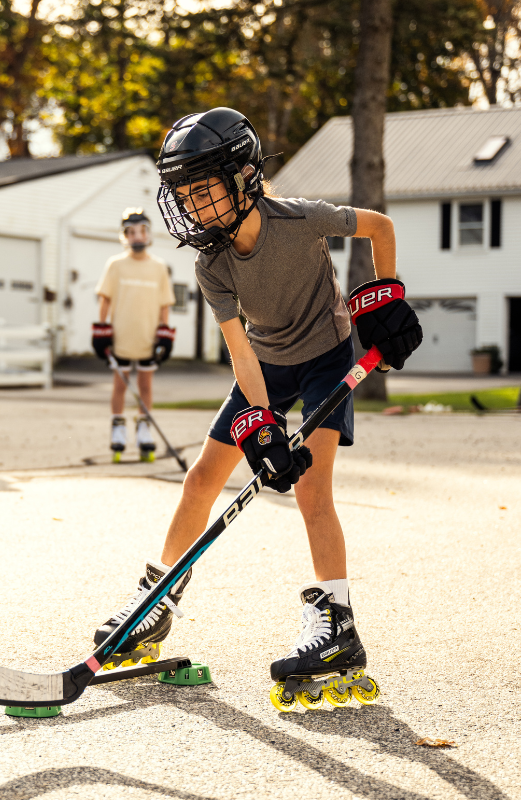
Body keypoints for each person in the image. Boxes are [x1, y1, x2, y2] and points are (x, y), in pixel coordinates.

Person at [92, 108, 422, 710]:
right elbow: (241, 354)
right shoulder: (210, 264)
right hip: (265, 364)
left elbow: (379, 225)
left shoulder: (298, 219)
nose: (192, 205)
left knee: (312, 491)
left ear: (243, 176)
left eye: (202, 189)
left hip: (327, 357)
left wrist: (385, 295)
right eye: (182, 193)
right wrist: (262, 428)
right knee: (200, 479)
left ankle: (338, 626)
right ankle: (158, 598)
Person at [92, 209, 177, 463]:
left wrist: (165, 333)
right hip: (121, 338)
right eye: (130, 232)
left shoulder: (159, 267)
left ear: (148, 233)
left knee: (145, 386)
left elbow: (165, 304)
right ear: (124, 236)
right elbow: (105, 299)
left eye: (141, 230)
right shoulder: (115, 265)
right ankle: (117, 428)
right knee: (119, 384)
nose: (136, 236)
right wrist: (101, 330)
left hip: (147, 339)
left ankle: (143, 428)